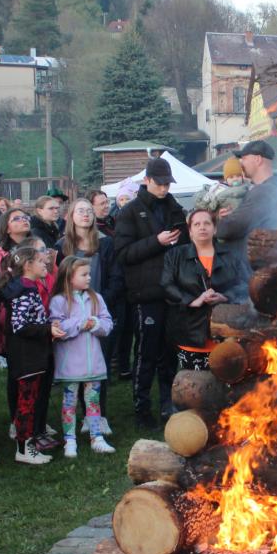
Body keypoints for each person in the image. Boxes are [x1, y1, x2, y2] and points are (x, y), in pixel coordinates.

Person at [114, 157, 187, 426]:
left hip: (173, 292)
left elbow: (186, 244)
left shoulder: (175, 208)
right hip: (145, 293)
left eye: (168, 183)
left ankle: (169, 405)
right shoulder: (130, 211)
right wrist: (156, 242)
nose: (164, 188)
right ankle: (141, 409)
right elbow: (123, 254)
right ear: (147, 180)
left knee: (170, 354)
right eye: (159, 183)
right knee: (146, 354)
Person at [0, 245, 62, 465]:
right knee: (26, 403)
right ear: (28, 265)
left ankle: (28, 446)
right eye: (41, 261)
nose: (46, 264)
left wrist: (47, 327)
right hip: (26, 356)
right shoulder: (24, 289)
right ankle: (24, 449)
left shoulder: (26, 286)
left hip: (32, 354)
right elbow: (20, 325)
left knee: (30, 402)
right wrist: (47, 329)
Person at [162, 208, 247, 371]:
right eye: (197, 224)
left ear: (214, 229)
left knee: (228, 380)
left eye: (207, 223)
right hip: (190, 332)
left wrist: (225, 296)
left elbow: (244, 284)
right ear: (190, 231)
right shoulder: (175, 255)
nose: (202, 227)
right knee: (196, 383)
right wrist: (192, 301)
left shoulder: (231, 255)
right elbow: (167, 285)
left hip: (226, 332)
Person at [49, 257, 114, 457]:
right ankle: (70, 440)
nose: (89, 278)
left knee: (93, 402)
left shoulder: (96, 298)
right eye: (84, 274)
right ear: (69, 277)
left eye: (89, 274)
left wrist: (95, 324)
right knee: (69, 403)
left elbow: (107, 323)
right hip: (70, 365)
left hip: (93, 363)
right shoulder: (58, 301)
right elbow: (57, 327)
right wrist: (80, 323)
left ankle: (97, 438)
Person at [216, 140, 277, 289]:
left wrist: (220, 220)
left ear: (258, 159)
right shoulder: (276, 186)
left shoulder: (262, 192)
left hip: (256, 275)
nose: (241, 163)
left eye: (244, 158)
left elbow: (229, 229)